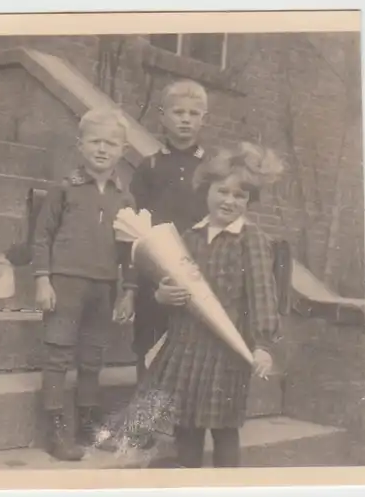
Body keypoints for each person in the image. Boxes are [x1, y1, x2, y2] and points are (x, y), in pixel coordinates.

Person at [122, 142, 284, 468]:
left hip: (225, 353)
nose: (229, 200)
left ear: (249, 201)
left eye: (240, 196)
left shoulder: (251, 240)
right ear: (206, 190)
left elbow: (264, 294)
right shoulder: (189, 238)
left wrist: (264, 344)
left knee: (223, 429)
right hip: (185, 348)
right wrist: (161, 297)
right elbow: (172, 285)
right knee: (186, 425)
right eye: (222, 191)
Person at [32, 108, 136, 461]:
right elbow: (41, 237)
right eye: (95, 141)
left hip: (103, 288)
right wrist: (43, 280)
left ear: (123, 150)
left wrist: (129, 292)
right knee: (59, 353)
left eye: (111, 143)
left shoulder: (124, 198)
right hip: (66, 283)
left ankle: (88, 425)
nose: (102, 149)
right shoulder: (64, 190)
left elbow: (130, 252)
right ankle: (57, 431)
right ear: (80, 145)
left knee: (92, 358)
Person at [119, 79, 210, 381]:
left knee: (192, 351)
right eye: (178, 112)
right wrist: (132, 286)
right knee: (150, 347)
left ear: (203, 119)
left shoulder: (214, 169)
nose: (185, 119)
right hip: (154, 279)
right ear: (162, 116)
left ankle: (181, 426)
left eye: (194, 113)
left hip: (199, 274)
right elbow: (136, 231)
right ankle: (145, 422)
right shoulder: (150, 167)